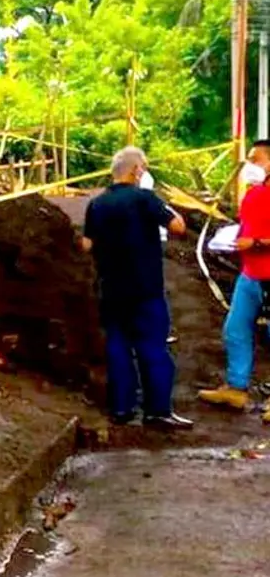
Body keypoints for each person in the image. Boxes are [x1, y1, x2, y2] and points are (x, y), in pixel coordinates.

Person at [82, 146, 192, 429]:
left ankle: (122, 409)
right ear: (137, 170)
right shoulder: (145, 198)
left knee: (117, 347)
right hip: (145, 289)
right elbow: (178, 226)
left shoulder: (97, 204)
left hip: (111, 290)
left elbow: (87, 244)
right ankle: (157, 411)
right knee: (152, 347)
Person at [198, 140, 270, 414]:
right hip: (250, 275)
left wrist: (257, 244)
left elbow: (255, 238)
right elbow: (247, 230)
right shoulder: (253, 196)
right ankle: (236, 387)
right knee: (235, 329)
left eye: (257, 160)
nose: (250, 166)